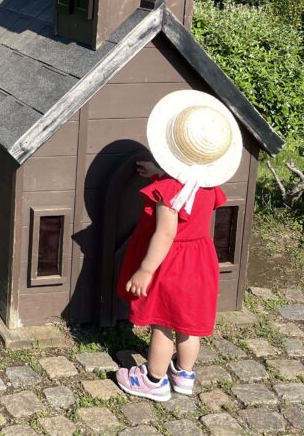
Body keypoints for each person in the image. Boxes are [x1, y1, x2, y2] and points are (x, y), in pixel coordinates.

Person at [114, 90, 243, 402]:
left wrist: (145, 269)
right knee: (188, 325)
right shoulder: (209, 185)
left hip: (173, 264)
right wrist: (160, 173)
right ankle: (184, 374)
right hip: (200, 261)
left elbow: (165, 233)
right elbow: (191, 192)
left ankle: (153, 379)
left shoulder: (167, 192)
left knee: (163, 324)